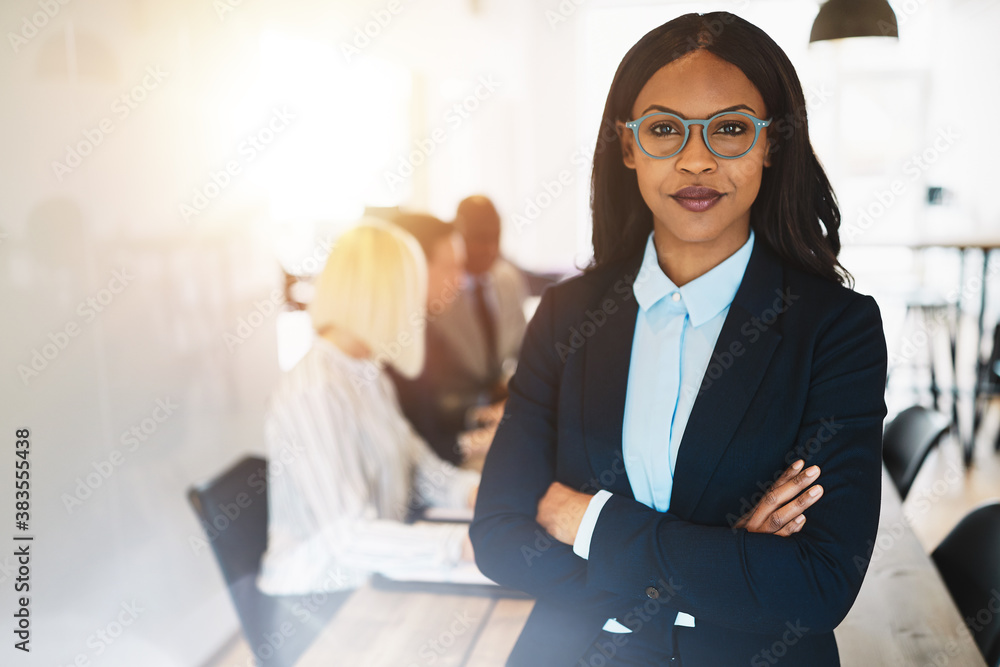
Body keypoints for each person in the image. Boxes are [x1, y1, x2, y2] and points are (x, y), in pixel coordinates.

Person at [470, 12, 887, 666]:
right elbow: (499, 534)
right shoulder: (565, 314)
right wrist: (726, 561)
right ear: (629, 146)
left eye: (730, 129)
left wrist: (589, 523)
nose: (697, 159)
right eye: (665, 129)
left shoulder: (836, 329)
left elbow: (816, 583)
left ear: (771, 142)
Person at [257, 220, 479, 596]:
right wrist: (462, 545)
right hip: (321, 596)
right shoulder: (315, 392)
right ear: (382, 298)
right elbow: (348, 537)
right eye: (409, 292)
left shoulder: (367, 373)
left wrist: (481, 494)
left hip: (372, 574)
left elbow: (421, 471)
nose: (417, 306)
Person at [386, 212, 499, 464]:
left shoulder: (425, 327)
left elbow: (440, 405)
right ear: (413, 267)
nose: (459, 282)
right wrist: (480, 441)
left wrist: (483, 416)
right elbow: (416, 450)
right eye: (450, 268)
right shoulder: (394, 340)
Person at [428, 195, 530, 423]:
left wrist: (511, 381)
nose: (490, 249)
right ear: (459, 237)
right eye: (479, 239)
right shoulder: (438, 292)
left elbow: (524, 347)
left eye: (495, 238)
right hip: (455, 416)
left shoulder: (509, 279)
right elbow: (434, 386)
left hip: (508, 407)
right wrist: (485, 398)